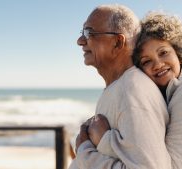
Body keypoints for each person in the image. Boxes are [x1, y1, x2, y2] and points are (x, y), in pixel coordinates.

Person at [88, 11, 182, 168]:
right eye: (146, 61)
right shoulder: (172, 95)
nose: (158, 64)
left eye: (163, 53)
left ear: (179, 53)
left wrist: (105, 140)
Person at [69, 4, 171, 169]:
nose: (80, 41)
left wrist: (84, 151)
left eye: (88, 33)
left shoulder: (133, 91)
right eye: (82, 33)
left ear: (117, 42)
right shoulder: (121, 87)